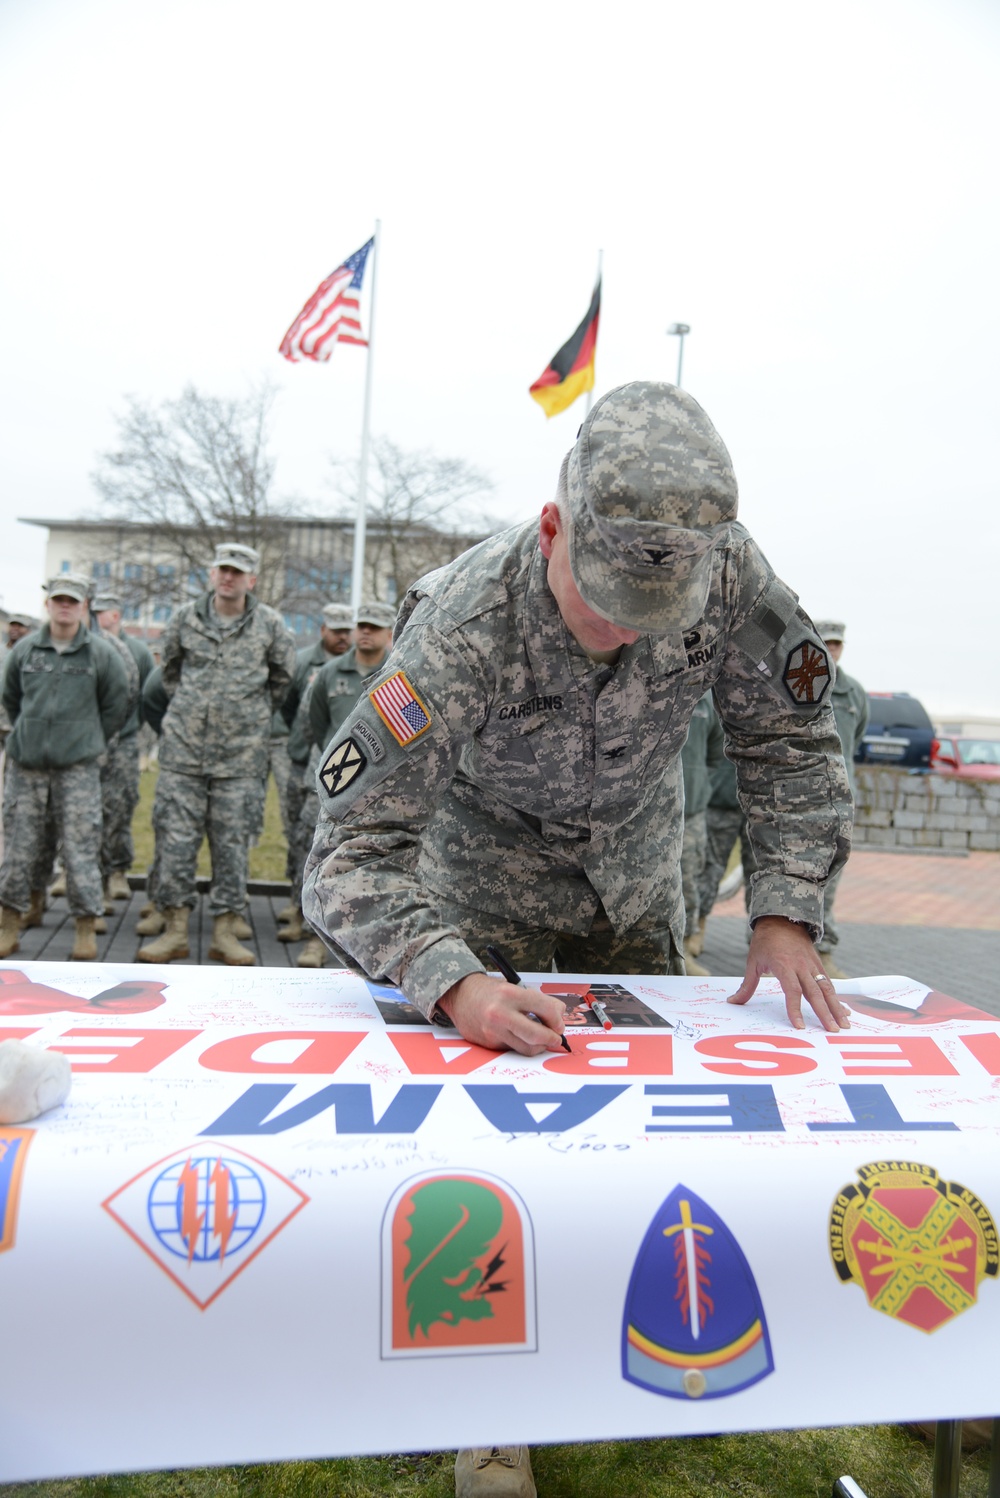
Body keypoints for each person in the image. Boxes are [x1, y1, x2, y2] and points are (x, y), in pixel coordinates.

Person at [303, 382, 853, 1498]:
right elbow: (348, 852)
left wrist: (787, 908)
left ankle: (666, 1339)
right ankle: (490, 1407)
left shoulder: (732, 575)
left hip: (637, 879)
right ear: (553, 527)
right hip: (476, 888)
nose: (624, 632)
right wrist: (449, 981)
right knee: (482, 1155)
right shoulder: (459, 623)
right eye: (603, 604)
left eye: (655, 610)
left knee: (658, 1128)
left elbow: (795, 740)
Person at [137, 542, 296, 967]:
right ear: (212, 574)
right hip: (183, 757)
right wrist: (193, 712)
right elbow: (168, 675)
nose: (228, 577)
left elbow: (281, 681)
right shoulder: (183, 619)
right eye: (222, 570)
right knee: (175, 843)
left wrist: (245, 718)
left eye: (237, 572)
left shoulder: (270, 625)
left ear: (252, 580)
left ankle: (226, 930)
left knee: (233, 847)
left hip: (240, 760)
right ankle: (174, 929)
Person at [0, 575, 130, 961]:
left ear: (84, 605)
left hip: (77, 769)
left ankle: (85, 926)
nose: (65, 606)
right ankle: (10, 920)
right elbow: (9, 699)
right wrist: (26, 735)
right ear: (48, 604)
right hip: (27, 767)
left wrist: (86, 742)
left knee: (80, 847)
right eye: (58, 600)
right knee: (20, 846)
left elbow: (115, 705)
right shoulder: (25, 650)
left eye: (72, 601)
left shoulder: (100, 654)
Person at [293, 600, 395, 968]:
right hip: (337, 788)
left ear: (389, 633)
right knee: (324, 865)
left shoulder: (401, 672)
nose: (365, 632)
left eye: (374, 626)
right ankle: (315, 939)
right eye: (361, 625)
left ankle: (373, 946)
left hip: (388, 789)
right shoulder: (330, 672)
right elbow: (314, 723)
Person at [275, 602, 354, 944]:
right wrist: (298, 752)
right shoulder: (306, 663)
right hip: (310, 764)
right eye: (335, 629)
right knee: (300, 836)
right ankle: (298, 903)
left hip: (351, 774)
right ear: (323, 630)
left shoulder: (368, 664)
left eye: (345, 630)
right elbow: (297, 709)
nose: (341, 636)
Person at [812, 619, 868, 979]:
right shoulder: (801, 682)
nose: (832, 650)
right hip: (799, 797)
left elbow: (856, 740)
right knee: (779, 875)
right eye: (826, 644)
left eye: (837, 645)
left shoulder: (853, 693)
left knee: (828, 882)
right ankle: (768, 950)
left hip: (839, 801)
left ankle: (823, 952)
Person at [92, 592, 155, 905]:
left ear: (114, 615)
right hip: (90, 745)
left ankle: (117, 870)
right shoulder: (89, 646)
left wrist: (134, 736)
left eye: (100, 612)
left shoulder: (138, 651)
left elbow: (145, 697)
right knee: (86, 810)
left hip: (125, 744)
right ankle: (80, 871)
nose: (94, 617)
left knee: (120, 807)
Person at [679, 690, 726, 975]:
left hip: (692, 811)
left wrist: (697, 784)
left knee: (688, 880)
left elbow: (714, 753)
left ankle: (683, 950)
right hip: (646, 812)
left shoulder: (707, 699)